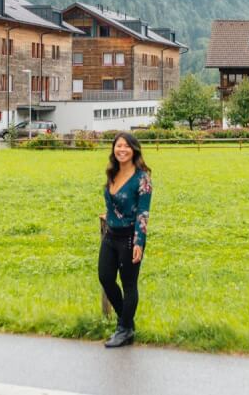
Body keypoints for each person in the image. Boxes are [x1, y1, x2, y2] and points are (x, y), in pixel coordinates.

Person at [98, 131, 152, 348]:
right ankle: (126, 322)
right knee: (106, 278)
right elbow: (113, 202)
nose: (122, 150)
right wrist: (109, 215)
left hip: (130, 237)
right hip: (110, 235)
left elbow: (143, 212)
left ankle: (124, 329)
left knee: (129, 285)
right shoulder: (112, 173)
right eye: (118, 146)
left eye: (126, 146)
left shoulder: (142, 178)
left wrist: (139, 242)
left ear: (134, 150)